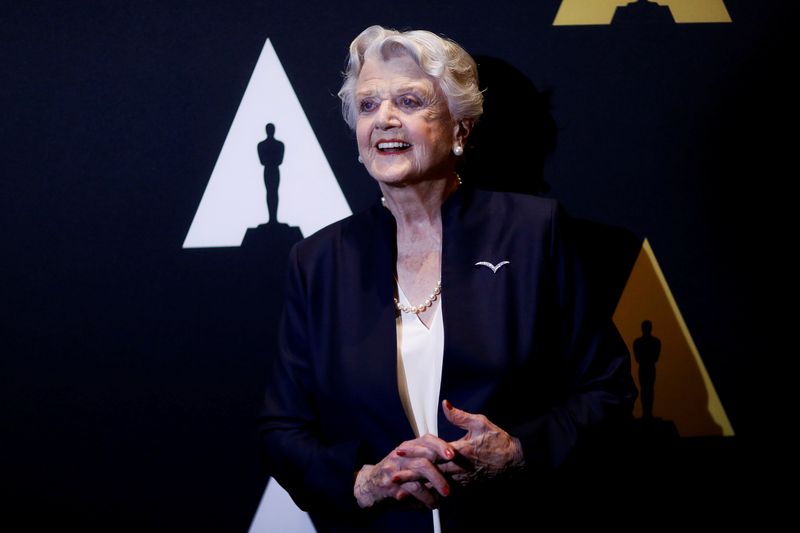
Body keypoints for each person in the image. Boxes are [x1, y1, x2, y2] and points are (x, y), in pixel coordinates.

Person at [258, 25, 636, 532]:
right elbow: (283, 428)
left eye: (409, 100)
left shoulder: (533, 233)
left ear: (460, 128)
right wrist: (364, 482)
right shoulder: (319, 261)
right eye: (368, 106)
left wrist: (519, 450)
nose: (384, 120)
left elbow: (607, 392)